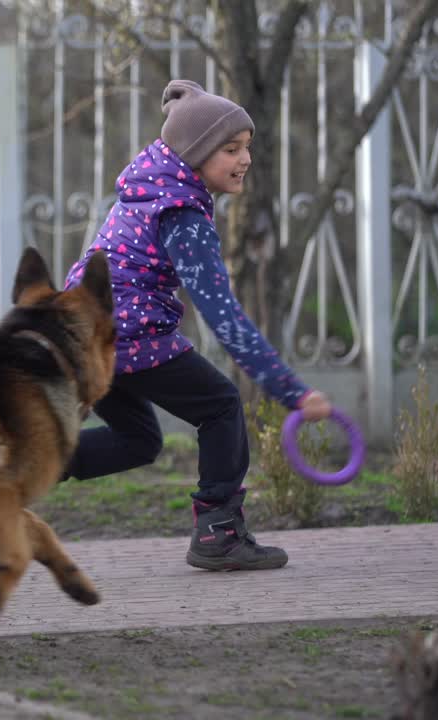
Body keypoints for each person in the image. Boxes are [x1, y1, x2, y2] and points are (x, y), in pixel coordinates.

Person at [62, 79, 332, 571]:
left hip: (85, 332)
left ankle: (35, 462)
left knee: (139, 440)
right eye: (231, 149)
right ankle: (218, 533)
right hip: (127, 334)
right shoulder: (181, 214)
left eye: (246, 147)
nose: (245, 159)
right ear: (195, 152)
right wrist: (291, 392)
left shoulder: (148, 191)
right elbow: (223, 317)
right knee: (222, 405)